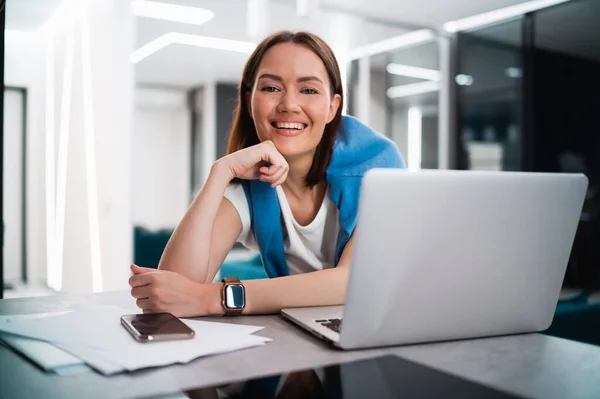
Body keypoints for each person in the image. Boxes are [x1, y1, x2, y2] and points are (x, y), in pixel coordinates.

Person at [128, 31, 404, 317]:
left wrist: (214, 298)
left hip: (389, 323)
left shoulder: (377, 167)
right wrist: (220, 172)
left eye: (308, 90)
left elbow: (356, 282)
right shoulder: (249, 186)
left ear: (332, 107)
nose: (288, 104)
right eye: (272, 88)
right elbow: (175, 291)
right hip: (307, 336)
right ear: (250, 100)